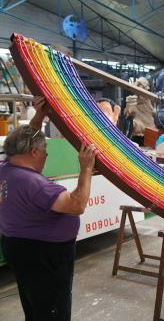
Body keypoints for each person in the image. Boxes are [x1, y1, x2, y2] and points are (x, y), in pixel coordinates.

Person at [0, 97, 98, 321]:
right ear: (34, 153)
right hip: (43, 254)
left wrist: (39, 115)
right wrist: (86, 168)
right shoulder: (36, 185)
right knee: (52, 308)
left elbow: (21, 141)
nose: (46, 155)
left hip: (18, 247)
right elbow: (77, 205)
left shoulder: (6, 166)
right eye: (45, 151)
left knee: (35, 302)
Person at [124, 77, 156, 146]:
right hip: (139, 136)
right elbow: (127, 114)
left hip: (151, 134)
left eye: (144, 88)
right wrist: (129, 108)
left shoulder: (148, 101)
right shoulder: (133, 100)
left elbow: (153, 113)